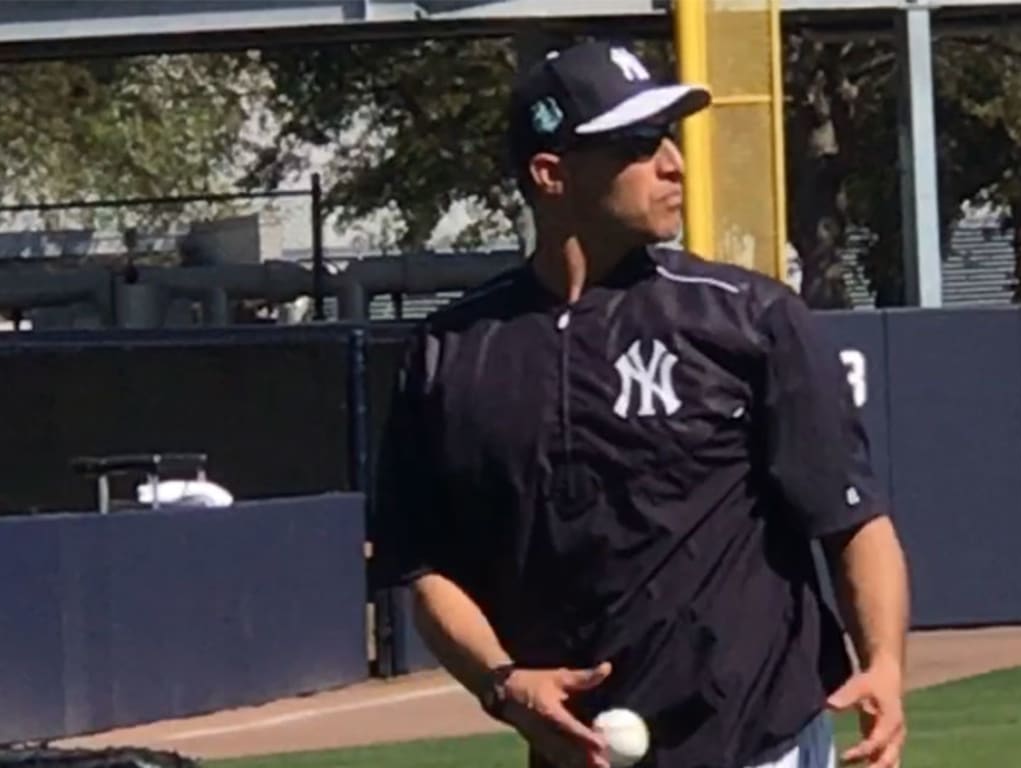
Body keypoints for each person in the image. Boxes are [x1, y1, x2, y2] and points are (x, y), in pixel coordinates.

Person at [372, 39, 911, 768]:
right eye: (636, 145)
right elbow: (425, 567)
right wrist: (502, 684)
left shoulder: (749, 319)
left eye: (667, 137)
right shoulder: (449, 353)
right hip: (579, 754)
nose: (673, 163)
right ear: (550, 174)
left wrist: (883, 664)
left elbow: (852, 519)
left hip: (756, 741)